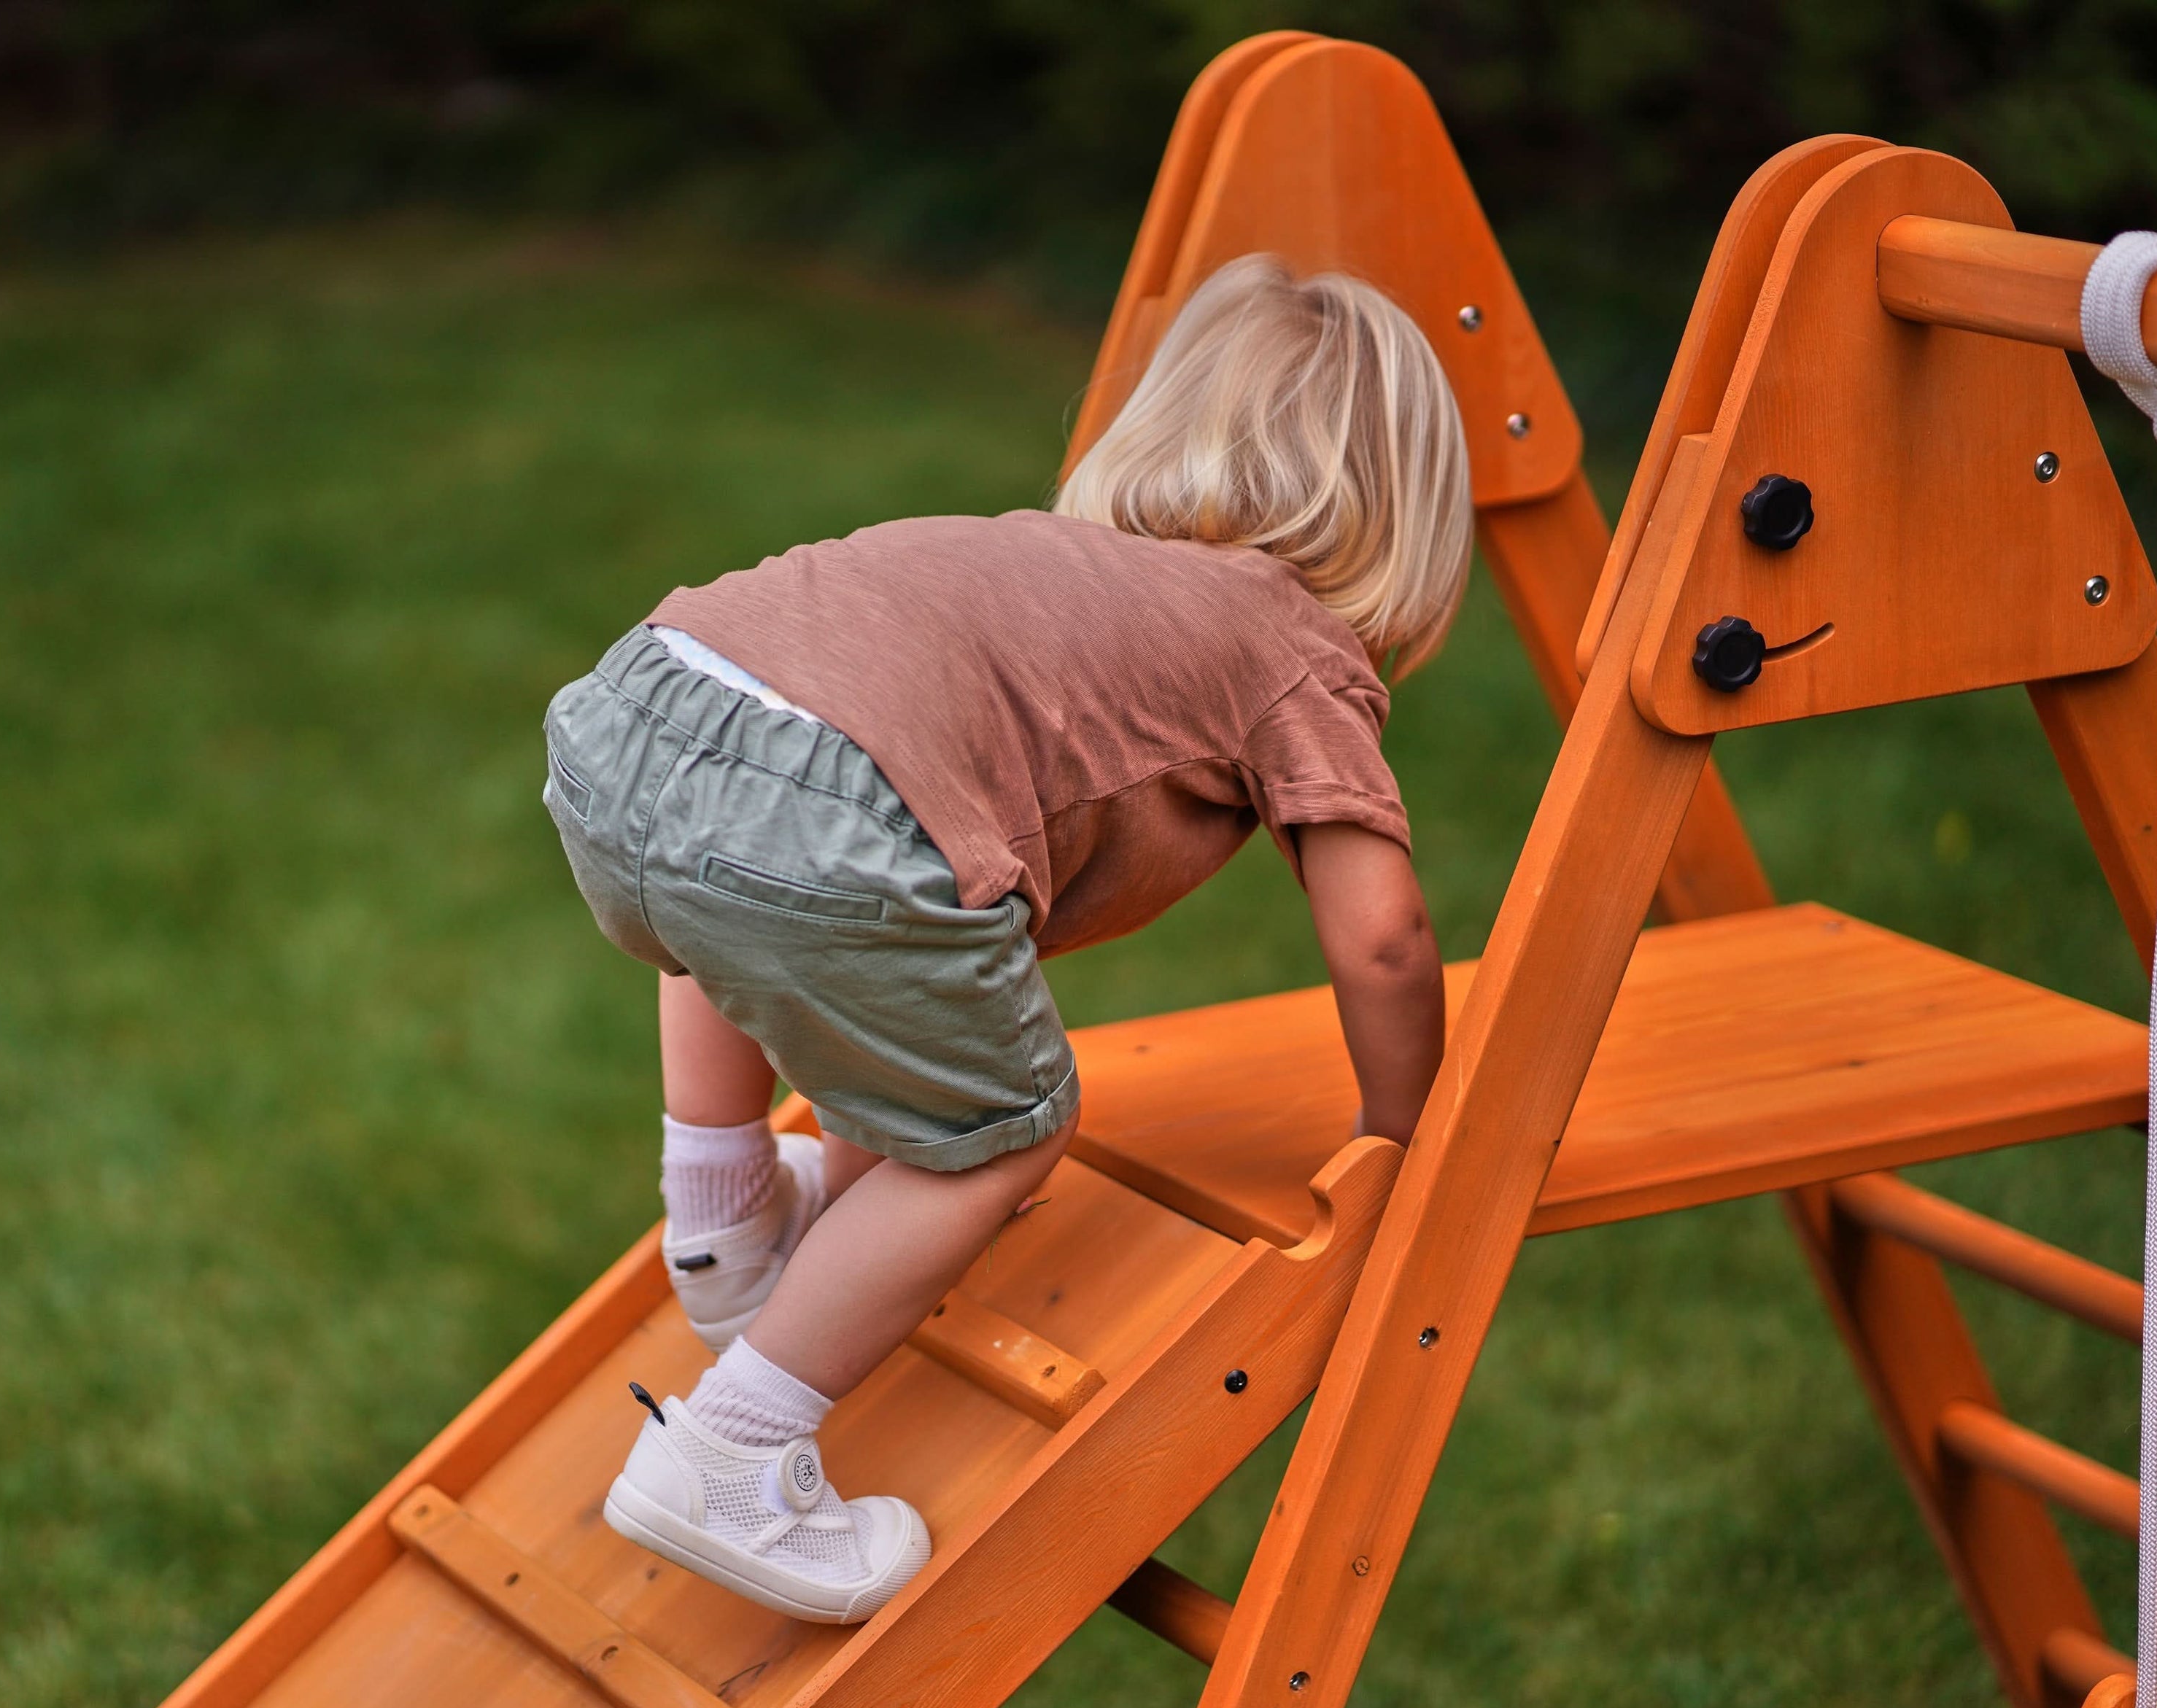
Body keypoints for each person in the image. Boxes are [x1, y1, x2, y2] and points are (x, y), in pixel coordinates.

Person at [539, 255, 1468, 1623]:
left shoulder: (1054, 568)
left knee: (742, 908)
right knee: (1008, 1122)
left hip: (636, 706)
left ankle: (727, 1225)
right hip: (820, 810)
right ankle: (726, 1457)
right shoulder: (1292, 645)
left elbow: (831, 914)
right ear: (1404, 523)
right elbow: (1386, 938)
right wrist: (1405, 1126)